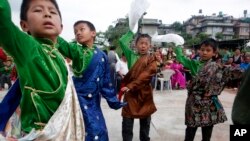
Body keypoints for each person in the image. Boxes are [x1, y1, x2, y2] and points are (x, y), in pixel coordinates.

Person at [0, 0, 84, 140]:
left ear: (61, 27)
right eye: (38, 10)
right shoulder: (28, 48)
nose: (47, 14)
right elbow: (3, 22)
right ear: (24, 25)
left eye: (52, 12)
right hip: (40, 134)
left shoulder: (60, 57)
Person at [62, 20, 125, 141]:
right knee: (82, 131)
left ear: (93, 33)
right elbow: (62, 45)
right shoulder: (76, 50)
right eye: (75, 32)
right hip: (78, 99)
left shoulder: (102, 56)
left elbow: (106, 82)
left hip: (94, 101)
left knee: (99, 130)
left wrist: (114, 100)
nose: (78, 33)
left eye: (81, 29)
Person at [174, 38, 242, 141]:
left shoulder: (217, 67)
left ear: (214, 53)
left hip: (209, 103)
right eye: (202, 49)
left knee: (207, 131)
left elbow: (232, 73)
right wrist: (178, 46)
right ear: (199, 51)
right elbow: (181, 58)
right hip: (194, 102)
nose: (204, 52)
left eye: (208, 50)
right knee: (190, 129)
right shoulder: (193, 64)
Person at [119, 31, 158, 141]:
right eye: (141, 43)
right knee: (127, 121)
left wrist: (131, 85)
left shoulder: (152, 59)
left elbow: (145, 75)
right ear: (136, 44)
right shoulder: (130, 54)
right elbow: (122, 41)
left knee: (145, 123)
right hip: (130, 93)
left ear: (149, 45)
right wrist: (131, 31)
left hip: (144, 93)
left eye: (146, 43)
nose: (143, 46)